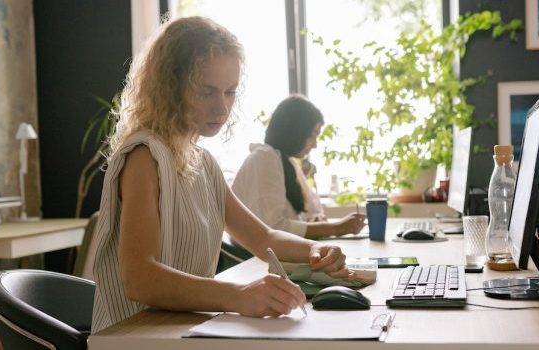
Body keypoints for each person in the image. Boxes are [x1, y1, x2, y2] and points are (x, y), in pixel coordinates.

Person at [90, 17, 350, 333]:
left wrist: (313, 251)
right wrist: (237, 295)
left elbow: (263, 237)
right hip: (134, 335)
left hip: (179, 330)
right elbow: (140, 279)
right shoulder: (144, 156)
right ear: (170, 88)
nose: (221, 108)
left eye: (229, 92)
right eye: (207, 92)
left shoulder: (205, 162)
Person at [231, 95, 366, 238]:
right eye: (313, 135)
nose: (315, 144)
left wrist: (316, 222)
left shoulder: (286, 162)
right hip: (258, 258)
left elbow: (311, 214)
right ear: (295, 131)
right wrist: (335, 228)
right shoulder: (265, 158)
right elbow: (274, 228)